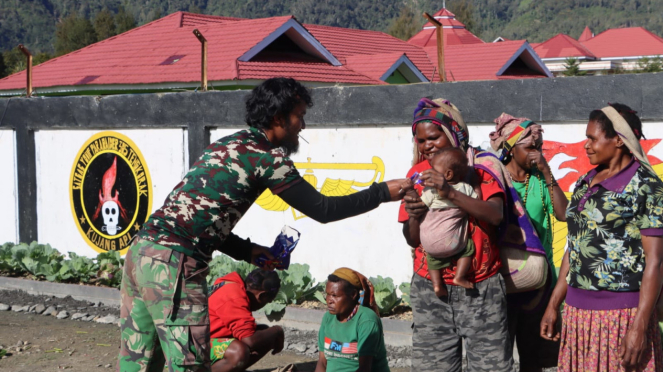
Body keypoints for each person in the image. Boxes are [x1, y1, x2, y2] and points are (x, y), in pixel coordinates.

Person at [118, 77, 405, 372]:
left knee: (137, 363)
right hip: (172, 263)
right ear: (279, 118)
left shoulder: (226, 145)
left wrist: (248, 251)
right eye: (300, 116)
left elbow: (196, 215)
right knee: (190, 366)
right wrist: (381, 192)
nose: (302, 126)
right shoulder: (268, 157)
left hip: (141, 251)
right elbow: (323, 209)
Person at [540, 103, 663, 372]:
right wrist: (554, 304)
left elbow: (656, 262)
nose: (586, 145)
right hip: (577, 314)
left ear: (618, 139)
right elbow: (575, 246)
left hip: (621, 315)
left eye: (592, 138)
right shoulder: (587, 181)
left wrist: (639, 327)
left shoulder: (646, 187)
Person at [399, 98, 515, 372]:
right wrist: (414, 213)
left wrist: (449, 192)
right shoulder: (417, 174)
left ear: (454, 132)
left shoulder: (482, 169)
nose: (427, 145)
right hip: (430, 289)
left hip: (480, 286)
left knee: (491, 368)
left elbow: (495, 214)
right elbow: (412, 239)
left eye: (434, 137)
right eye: (420, 140)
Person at [490, 113, 568, 372]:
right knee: (499, 355)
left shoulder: (539, 178)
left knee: (533, 356)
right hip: (503, 276)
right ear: (511, 148)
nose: (537, 153)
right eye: (531, 147)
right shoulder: (497, 178)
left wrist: (547, 171)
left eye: (540, 147)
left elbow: (563, 213)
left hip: (537, 279)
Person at [404, 147, 478, 298]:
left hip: (431, 244)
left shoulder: (431, 191)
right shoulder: (466, 188)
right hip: (454, 243)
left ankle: (437, 285)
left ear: (448, 174)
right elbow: (476, 203)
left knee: (432, 258)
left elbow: (419, 207)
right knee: (468, 249)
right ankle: (460, 276)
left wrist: (412, 191)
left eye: (433, 170)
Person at [208, 269, 284, 372]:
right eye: (267, 302)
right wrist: (278, 330)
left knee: (265, 334)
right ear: (262, 295)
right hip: (189, 346)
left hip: (203, 340)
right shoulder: (234, 296)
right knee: (239, 351)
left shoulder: (232, 285)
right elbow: (249, 340)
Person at [315, 268, 389, 372]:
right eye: (327, 294)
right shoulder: (328, 318)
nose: (329, 300)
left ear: (353, 294)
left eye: (335, 295)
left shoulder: (366, 320)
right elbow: (322, 362)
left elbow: (364, 369)